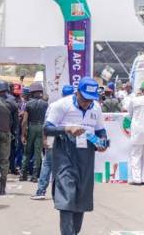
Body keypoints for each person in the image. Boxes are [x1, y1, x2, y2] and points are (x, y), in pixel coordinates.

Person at [44, 77, 108, 235]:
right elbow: (47, 128)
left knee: (82, 198)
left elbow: (101, 131)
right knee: (66, 197)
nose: (87, 103)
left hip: (86, 157)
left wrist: (103, 143)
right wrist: (67, 128)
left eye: (90, 100)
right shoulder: (61, 105)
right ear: (77, 92)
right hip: (65, 155)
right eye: (84, 98)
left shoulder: (97, 108)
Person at [31, 84, 74, 200]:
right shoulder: (76, 106)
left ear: (62, 94)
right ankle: (64, 193)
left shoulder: (54, 105)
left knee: (48, 164)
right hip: (70, 140)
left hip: (53, 137)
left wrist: (45, 139)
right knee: (66, 166)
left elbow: (46, 124)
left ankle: (41, 191)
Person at [21, 82, 49, 182]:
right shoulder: (46, 104)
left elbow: (24, 121)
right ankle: (35, 176)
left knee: (27, 152)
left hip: (31, 127)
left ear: (31, 93)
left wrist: (23, 134)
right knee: (38, 153)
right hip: (41, 127)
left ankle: (23, 174)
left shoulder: (28, 104)